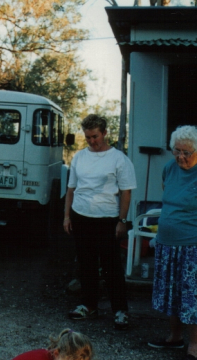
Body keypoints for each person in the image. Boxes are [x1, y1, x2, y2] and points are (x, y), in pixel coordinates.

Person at [148, 125, 197, 360]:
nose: (181, 157)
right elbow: (169, 194)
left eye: (187, 152)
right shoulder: (170, 168)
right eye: (176, 151)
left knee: (194, 297)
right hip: (168, 244)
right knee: (173, 293)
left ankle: (194, 347)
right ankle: (174, 338)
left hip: (196, 247)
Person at [63, 114, 137, 330]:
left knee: (111, 266)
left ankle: (120, 311)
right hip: (81, 216)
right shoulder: (79, 157)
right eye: (87, 137)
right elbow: (71, 189)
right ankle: (89, 306)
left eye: (95, 136)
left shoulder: (119, 159)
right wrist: (67, 216)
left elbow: (125, 193)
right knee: (86, 264)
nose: (92, 141)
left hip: (107, 219)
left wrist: (122, 221)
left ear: (104, 133)